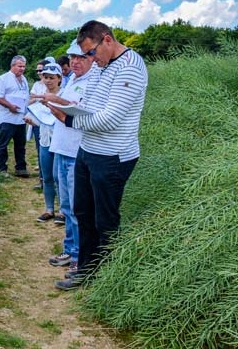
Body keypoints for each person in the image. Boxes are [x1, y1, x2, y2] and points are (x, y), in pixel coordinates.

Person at [40, 20, 148, 291]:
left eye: (91, 52)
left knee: (105, 220)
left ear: (107, 40)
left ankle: (107, 281)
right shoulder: (104, 66)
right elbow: (89, 106)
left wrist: (69, 120)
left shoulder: (131, 67)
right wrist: (69, 110)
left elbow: (109, 118)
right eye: (86, 54)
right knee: (83, 212)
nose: (90, 58)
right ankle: (85, 271)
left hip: (112, 156)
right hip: (88, 150)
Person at [46, 41, 100, 273]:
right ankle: (70, 249)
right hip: (62, 148)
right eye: (72, 58)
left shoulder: (94, 81)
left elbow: (85, 111)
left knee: (79, 208)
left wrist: (59, 102)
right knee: (66, 206)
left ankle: (80, 255)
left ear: (92, 58)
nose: (75, 62)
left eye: (80, 57)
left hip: (76, 152)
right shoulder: (73, 81)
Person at [25, 63, 62, 222]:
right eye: (45, 77)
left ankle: (63, 210)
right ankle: (49, 209)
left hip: (60, 142)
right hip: (45, 140)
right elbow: (36, 116)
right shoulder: (39, 96)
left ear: (59, 79)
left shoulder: (64, 96)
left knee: (59, 177)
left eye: (51, 78)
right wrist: (31, 120)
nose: (48, 81)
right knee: (46, 176)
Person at [0, 55, 30, 177]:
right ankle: (1, 168)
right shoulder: (3, 79)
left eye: (24, 66)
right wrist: (10, 106)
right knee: (3, 144)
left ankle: (21, 168)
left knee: (20, 145)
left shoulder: (24, 79)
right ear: (12, 66)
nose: (22, 69)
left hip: (21, 118)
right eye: (19, 66)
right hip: (7, 117)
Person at [29, 59, 49, 189]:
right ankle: (42, 180)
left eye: (41, 70)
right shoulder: (36, 84)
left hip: (51, 122)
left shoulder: (57, 83)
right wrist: (40, 97)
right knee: (40, 150)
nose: (39, 73)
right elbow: (30, 101)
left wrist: (38, 97)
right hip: (37, 120)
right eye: (37, 70)